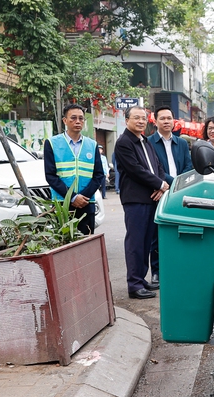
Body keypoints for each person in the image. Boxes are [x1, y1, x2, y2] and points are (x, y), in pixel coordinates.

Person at [114, 105, 169, 299]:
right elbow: (135, 170)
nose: (140, 121)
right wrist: (160, 184)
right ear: (127, 120)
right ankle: (134, 284)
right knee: (136, 242)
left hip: (151, 197)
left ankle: (141, 279)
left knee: (147, 242)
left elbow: (158, 166)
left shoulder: (144, 141)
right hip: (135, 199)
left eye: (143, 118)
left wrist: (161, 185)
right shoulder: (124, 143)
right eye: (136, 118)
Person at [148, 105, 194, 288]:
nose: (166, 121)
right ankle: (157, 272)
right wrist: (169, 184)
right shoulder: (149, 142)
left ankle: (176, 270)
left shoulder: (182, 143)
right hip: (159, 192)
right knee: (156, 234)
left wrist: (178, 185)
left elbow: (189, 166)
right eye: (162, 118)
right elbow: (151, 168)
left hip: (179, 193)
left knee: (178, 232)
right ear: (156, 121)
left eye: (169, 118)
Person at [44, 103, 105, 236]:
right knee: (63, 244)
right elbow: (50, 176)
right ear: (65, 120)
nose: (78, 121)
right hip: (62, 204)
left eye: (81, 118)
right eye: (73, 118)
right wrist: (72, 197)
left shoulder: (92, 145)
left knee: (85, 244)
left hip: (86, 203)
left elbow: (99, 175)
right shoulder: (52, 143)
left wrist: (84, 197)